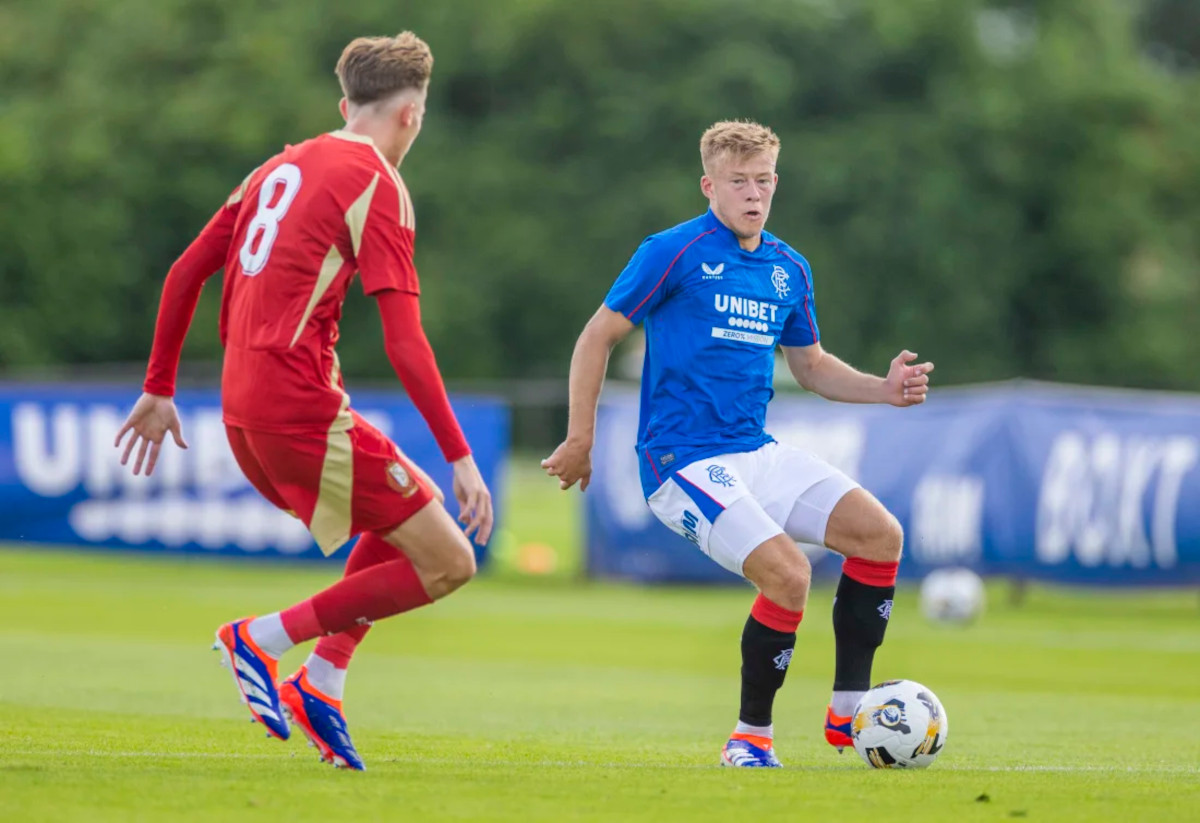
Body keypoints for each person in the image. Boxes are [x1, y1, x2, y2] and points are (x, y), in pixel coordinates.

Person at [114, 32, 493, 771]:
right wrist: (461, 454)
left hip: (242, 411)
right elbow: (405, 342)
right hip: (297, 407)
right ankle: (263, 638)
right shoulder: (378, 182)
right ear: (411, 115)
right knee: (451, 561)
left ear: (344, 105)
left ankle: (322, 681)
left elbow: (187, 272)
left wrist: (159, 386)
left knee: (404, 519)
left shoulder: (276, 166)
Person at [542, 120, 933, 768]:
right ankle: (750, 738)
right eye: (739, 182)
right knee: (788, 573)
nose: (754, 194)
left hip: (756, 451)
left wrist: (883, 389)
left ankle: (849, 713)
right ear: (709, 185)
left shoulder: (787, 267)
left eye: (764, 181)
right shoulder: (673, 251)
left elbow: (809, 366)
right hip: (682, 459)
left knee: (880, 535)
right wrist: (581, 436)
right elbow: (595, 337)